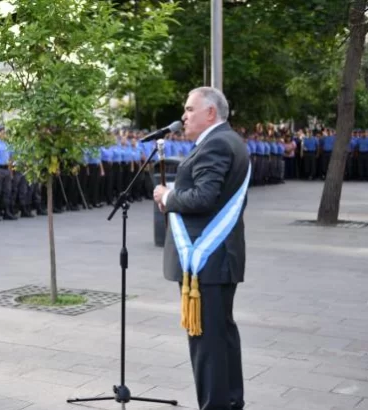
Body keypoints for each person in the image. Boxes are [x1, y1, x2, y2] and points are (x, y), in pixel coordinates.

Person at [153, 87, 249, 410]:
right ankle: (232, 402)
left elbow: (204, 198)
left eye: (190, 109)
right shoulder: (228, 140)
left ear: (211, 113)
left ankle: (215, 405)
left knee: (207, 345)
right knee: (221, 336)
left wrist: (167, 198)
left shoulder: (217, 143)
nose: (183, 116)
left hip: (208, 261)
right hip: (218, 260)